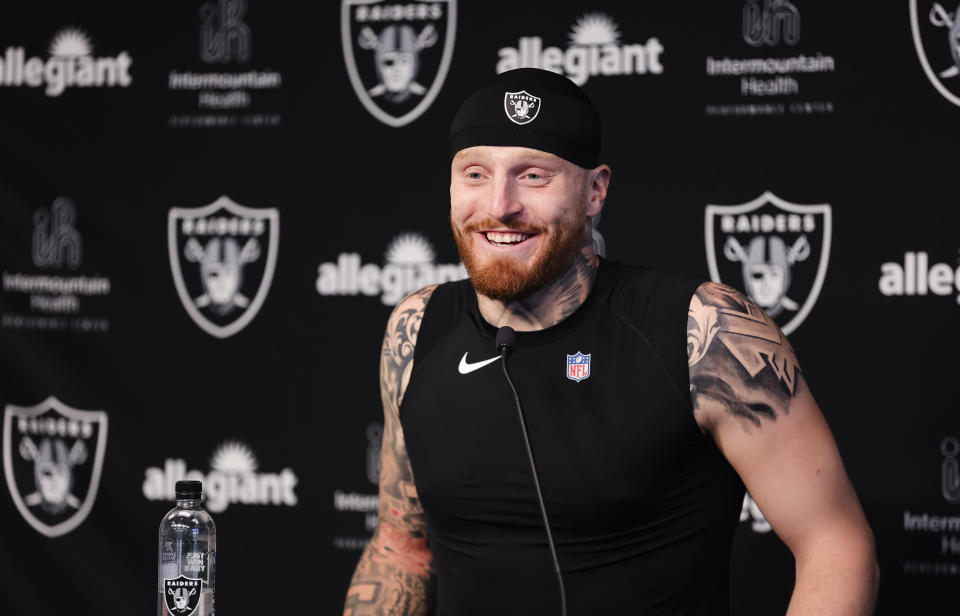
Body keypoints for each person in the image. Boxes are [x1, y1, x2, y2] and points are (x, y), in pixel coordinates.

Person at [343, 68, 878, 615]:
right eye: (476, 174)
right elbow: (400, 550)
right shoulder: (416, 327)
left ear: (595, 190)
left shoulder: (704, 330)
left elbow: (834, 545)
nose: (499, 205)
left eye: (533, 176)